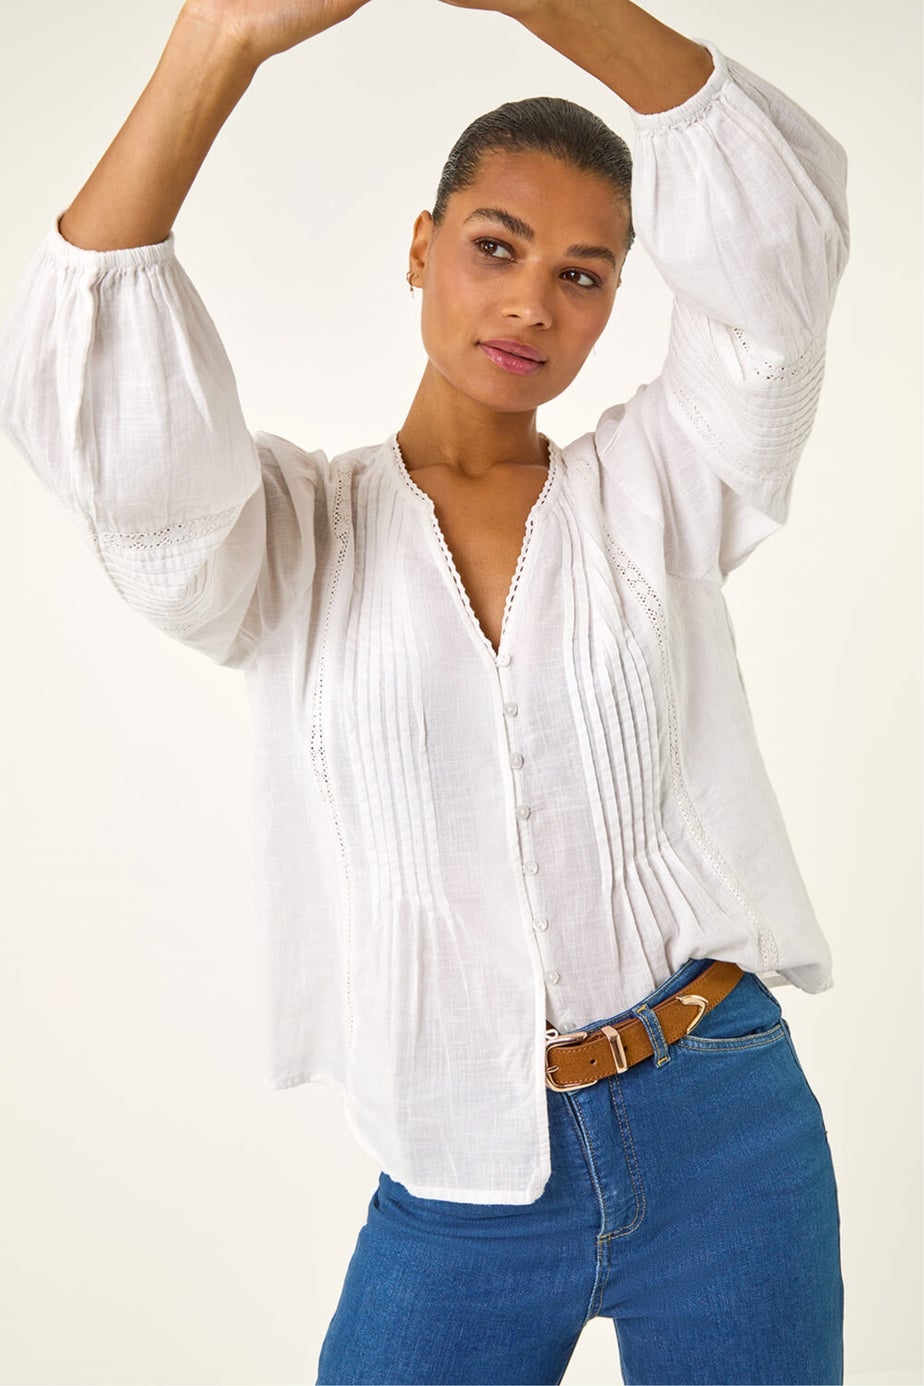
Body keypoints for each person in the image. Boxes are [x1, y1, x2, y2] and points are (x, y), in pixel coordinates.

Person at [0, 0, 850, 1382]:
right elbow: (100, 415)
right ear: (421, 246)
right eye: (495, 246)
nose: (530, 301)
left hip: (727, 1122)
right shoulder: (288, 536)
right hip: (462, 1169)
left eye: (583, 276)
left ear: (617, 304)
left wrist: (546, 3)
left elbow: (782, 265)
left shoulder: (660, 484)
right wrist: (220, 40)